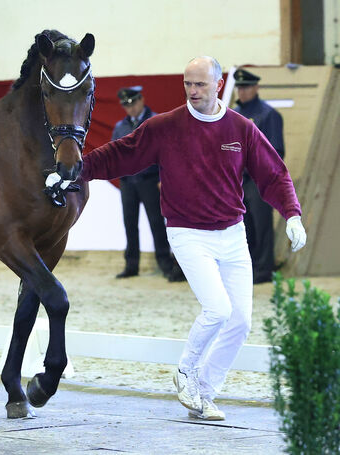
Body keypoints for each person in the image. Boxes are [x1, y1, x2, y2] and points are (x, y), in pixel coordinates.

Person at [80, 56, 306, 421]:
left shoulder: (241, 128)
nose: (193, 90)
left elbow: (273, 173)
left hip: (233, 234)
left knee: (241, 322)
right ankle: (186, 370)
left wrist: (292, 214)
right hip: (186, 232)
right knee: (218, 309)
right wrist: (79, 168)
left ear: (219, 85)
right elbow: (124, 153)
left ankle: (204, 392)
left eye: (200, 84)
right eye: (188, 83)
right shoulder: (165, 126)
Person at [112, 86, 183, 281]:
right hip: (128, 182)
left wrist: (163, 178)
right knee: (130, 224)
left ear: (141, 100)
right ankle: (131, 264)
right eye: (126, 105)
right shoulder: (120, 127)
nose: (131, 108)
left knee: (157, 224)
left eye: (133, 103)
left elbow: (168, 153)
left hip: (150, 180)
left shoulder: (157, 122)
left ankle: (165, 263)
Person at [233, 68, 285, 283]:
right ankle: (249, 267)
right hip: (237, 180)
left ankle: (264, 268)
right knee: (243, 226)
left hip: (258, 179)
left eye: (246, 87)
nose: (242, 91)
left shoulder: (268, 115)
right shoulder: (233, 115)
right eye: (239, 87)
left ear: (256, 88)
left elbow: (276, 151)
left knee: (261, 224)